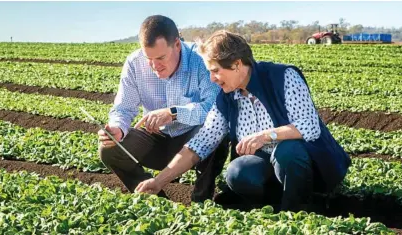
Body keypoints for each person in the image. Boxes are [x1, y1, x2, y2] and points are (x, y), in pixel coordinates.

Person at [135, 30, 351, 212]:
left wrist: (267, 135)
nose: (212, 79)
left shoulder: (283, 77)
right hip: (270, 166)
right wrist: (159, 180)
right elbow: (200, 143)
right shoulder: (227, 96)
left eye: (215, 71)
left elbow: (310, 127)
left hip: (313, 166)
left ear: (237, 64)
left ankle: (299, 210)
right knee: (238, 172)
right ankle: (274, 206)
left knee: (288, 151)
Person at [98, 15, 229, 202]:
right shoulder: (135, 63)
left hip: (192, 138)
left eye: (161, 57)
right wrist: (117, 129)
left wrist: (173, 113)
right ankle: (156, 200)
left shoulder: (200, 60)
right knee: (109, 149)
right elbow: (123, 108)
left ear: (176, 44)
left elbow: (213, 108)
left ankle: (201, 201)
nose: (154, 66)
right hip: (155, 138)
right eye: (148, 58)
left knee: (217, 132)